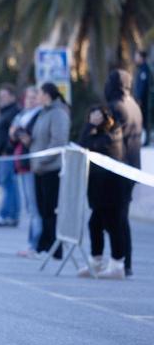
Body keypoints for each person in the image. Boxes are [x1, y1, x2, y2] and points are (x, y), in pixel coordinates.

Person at [78, 104, 127, 279]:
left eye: (98, 117)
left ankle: (117, 264)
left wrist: (90, 133)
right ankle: (96, 261)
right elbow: (82, 146)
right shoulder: (93, 132)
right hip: (98, 191)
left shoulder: (114, 134)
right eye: (92, 117)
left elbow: (97, 146)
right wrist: (89, 128)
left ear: (107, 118)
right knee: (95, 225)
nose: (96, 120)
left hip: (112, 190)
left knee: (113, 226)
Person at [105, 69, 143, 276]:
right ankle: (123, 261)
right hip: (131, 168)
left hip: (117, 169)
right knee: (121, 217)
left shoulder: (116, 107)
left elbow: (108, 138)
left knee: (115, 218)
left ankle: (119, 260)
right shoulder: (134, 105)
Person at [29, 82, 71, 257]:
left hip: (51, 169)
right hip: (39, 169)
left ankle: (53, 248)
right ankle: (43, 245)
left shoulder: (58, 114)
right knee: (42, 209)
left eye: (38, 93)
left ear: (46, 95)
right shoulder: (43, 113)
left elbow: (58, 142)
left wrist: (42, 160)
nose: (36, 97)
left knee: (50, 210)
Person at [11, 87, 44, 257]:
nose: (30, 100)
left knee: (34, 207)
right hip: (21, 165)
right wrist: (17, 133)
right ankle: (32, 243)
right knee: (30, 207)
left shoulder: (39, 116)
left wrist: (18, 133)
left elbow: (28, 138)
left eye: (34, 97)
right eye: (28, 97)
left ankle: (35, 244)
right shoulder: (23, 115)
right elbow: (13, 134)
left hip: (31, 165)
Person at [0, 84, 21, 226]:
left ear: (12, 97)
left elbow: (13, 133)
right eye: (0, 96)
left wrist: (7, 150)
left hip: (6, 155)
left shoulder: (14, 111)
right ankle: (9, 214)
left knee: (8, 185)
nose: (2, 99)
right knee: (5, 185)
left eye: (5, 96)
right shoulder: (1, 112)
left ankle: (7, 215)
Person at [134, 50, 151, 146]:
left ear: (142, 58)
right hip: (141, 101)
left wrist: (139, 99)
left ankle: (146, 140)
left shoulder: (145, 69)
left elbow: (143, 87)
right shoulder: (141, 69)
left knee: (144, 121)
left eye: (137, 56)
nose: (135, 59)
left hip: (144, 102)